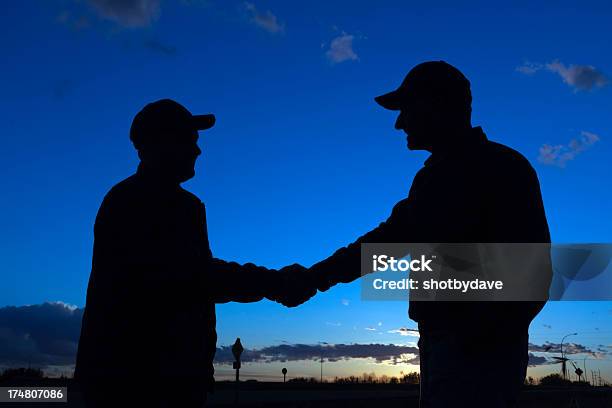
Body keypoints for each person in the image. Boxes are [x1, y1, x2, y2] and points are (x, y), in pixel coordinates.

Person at [306, 61, 552, 407]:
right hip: (447, 346)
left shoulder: (502, 168)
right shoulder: (436, 177)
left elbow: (535, 272)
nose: (399, 122)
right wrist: (315, 277)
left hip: (478, 355)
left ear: (437, 105)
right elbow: (390, 239)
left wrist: (479, 337)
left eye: (407, 109)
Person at [74, 99, 313, 408]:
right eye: (190, 140)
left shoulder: (179, 204)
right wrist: (275, 283)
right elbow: (193, 276)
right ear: (161, 143)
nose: (197, 150)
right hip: (137, 380)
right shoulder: (135, 202)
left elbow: (195, 275)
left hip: (169, 378)